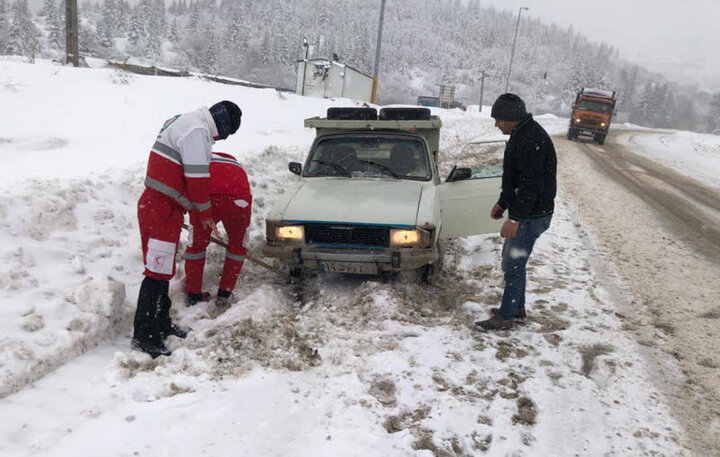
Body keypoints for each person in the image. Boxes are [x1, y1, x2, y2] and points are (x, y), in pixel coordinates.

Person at [132, 101, 242, 358]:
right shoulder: (196, 131)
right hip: (159, 208)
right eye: (224, 134)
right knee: (156, 273)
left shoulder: (189, 123)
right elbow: (197, 179)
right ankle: (144, 336)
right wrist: (203, 215)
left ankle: (161, 325)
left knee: (163, 271)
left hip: (166, 208)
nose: (219, 139)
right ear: (223, 124)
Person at [476, 93, 557, 331]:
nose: (496, 124)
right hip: (528, 213)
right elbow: (512, 177)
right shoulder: (520, 134)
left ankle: (506, 315)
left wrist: (515, 218)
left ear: (511, 118)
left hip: (532, 216)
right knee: (513, 261)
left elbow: (531, 185)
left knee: (513, 263)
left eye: (499, 119)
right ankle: (516, 308)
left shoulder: (532, 139)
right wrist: (503, 202)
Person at [184, 152, 252, 308]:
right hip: (239, 199)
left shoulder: (200, 162)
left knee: (196, 246)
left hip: (207, 196)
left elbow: (189, 185)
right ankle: (224, 293)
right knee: (237, 246)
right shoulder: (237, 166)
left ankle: (193, 294)